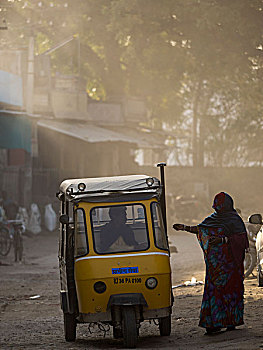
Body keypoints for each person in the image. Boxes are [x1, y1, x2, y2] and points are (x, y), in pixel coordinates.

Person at [173, 192, 249, 335]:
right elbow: (201, 229)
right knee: (214, 293)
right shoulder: (213, 219)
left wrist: (223, 240)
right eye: (216, 207)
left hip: (231, 266)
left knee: (231, 292)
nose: (217, 210)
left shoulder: (235, 220)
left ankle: (232, 321)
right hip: (215, 267)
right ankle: (214, 323)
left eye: (220, 207)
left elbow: (242, 240)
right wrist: (184, 227)